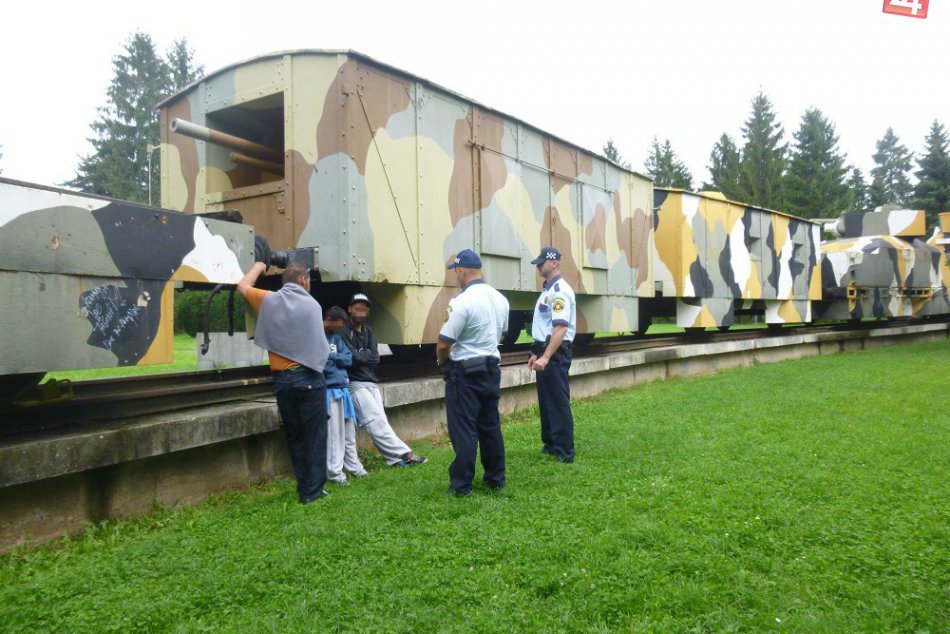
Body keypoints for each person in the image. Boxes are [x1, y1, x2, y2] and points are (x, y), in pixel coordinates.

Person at [236, 254, 331, 504]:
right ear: (302, 280)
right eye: (308, 280)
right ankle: (314, 492)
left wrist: (258, 265)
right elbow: (319, 347)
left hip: (282, 382)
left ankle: (304, 488)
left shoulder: (268, 300)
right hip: (309, 377)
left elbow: (242, 287)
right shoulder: (312, 305)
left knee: (296, 437)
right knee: (316, 436)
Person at [436, 249, 510, 496]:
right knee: (490, 425)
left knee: (464, 428)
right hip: (491, 369)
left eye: (455, 271)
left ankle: (461, 485)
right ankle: (495, 478)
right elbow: (501, 335)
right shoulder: (501, 299)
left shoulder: (461, 302)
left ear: (461, 270)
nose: (455, 275)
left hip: (465, 373)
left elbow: (444, 342)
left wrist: (443, 363)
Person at [341, 293, 428, 467]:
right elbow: (352, 359)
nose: (361, 311)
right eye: (357, 307)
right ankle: (405, 454)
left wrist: (361, 356)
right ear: (349, 309)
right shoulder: (344, 332)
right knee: (374, 421)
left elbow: (376, 359)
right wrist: (364, 355)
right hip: (355, 384)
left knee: (380, 420)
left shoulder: (368, 331)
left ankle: (394, 459)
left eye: (364, 308)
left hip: (371, 381)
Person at [528, 246, 577, 463]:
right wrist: (535, 352)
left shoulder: (559, 291)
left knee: (557, 401)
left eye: (542, 262)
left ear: (554, 262)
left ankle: (564, 450)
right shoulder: (548, 290)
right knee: (547, 400)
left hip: (555, 353)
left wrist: (546, 356)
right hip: (546, 350)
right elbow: (544, 325)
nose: (538, 266)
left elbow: (560, 328)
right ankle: (551, 443)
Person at [323, 306, 368, 485]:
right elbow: (322, 364)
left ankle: (353, 466)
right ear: (328, 320)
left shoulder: (336, 337)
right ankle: (335, 473)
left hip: (343, 388)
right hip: (329, 391)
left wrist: (333, 356)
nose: (339, 329)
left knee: (349, 432)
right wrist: (337, 359)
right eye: (337, 326)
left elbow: (349, 358)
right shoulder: (317, 336)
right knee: (334, 435)